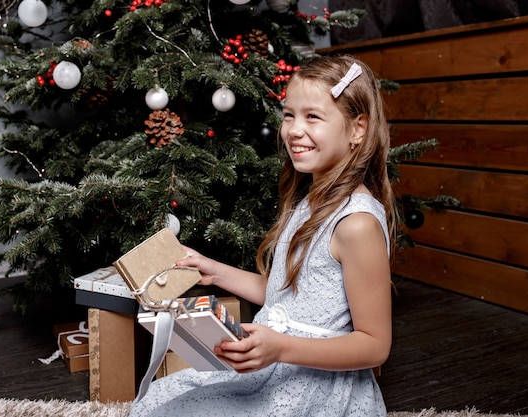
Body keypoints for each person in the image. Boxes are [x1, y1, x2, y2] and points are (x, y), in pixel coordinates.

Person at [129, 54, 397, 416]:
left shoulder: (357, 224)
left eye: (312, 116)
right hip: (271, 364)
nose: (294, 130)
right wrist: (215, 271)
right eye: (289, 115)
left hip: (315, 386)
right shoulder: (308, 198)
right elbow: (289, 298)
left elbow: (375, 346)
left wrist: (282, 349)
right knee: (159, 400)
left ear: (357, 129)